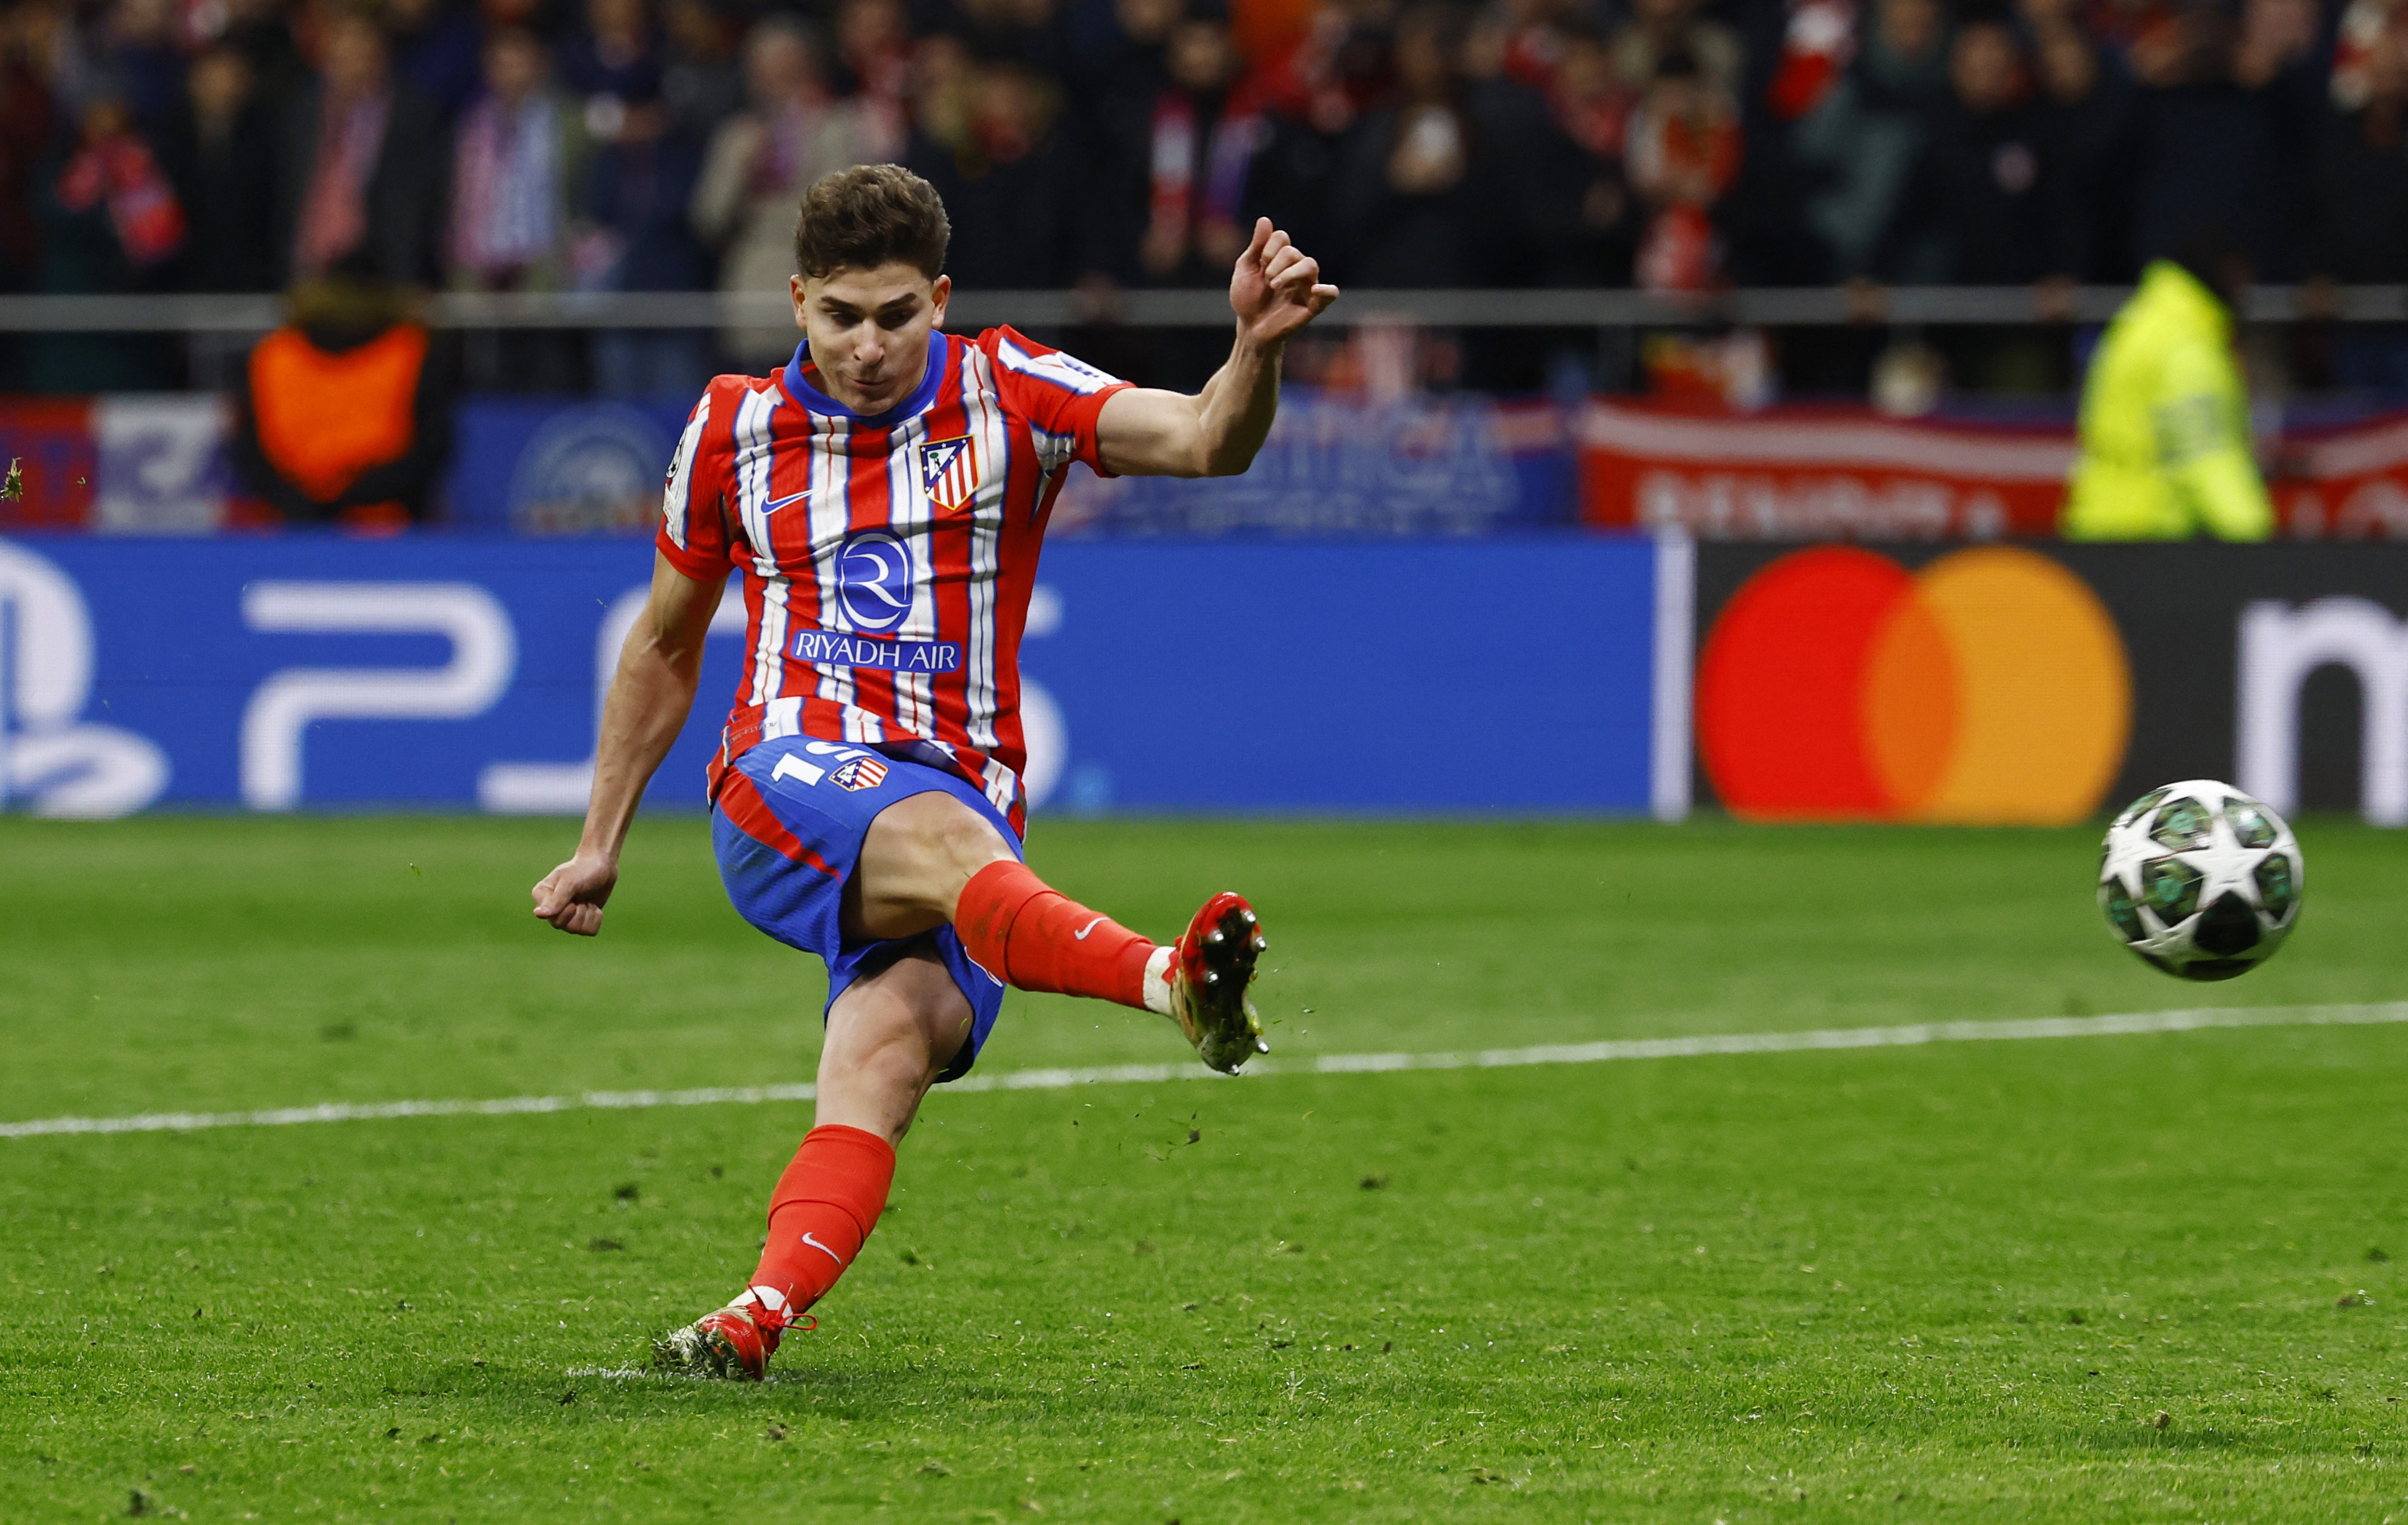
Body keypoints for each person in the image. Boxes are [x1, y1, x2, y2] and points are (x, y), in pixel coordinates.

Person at [529, 163, 1338, 1381]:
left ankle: (749, 1316)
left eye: (897, 314)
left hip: (960, 809)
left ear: (941, 298)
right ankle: (1171, 979)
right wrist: (600, 838)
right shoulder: (734, 425)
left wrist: (1254, 349)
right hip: (783, 778)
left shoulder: (1011, 385)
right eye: (840, 315)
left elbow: (1205, 437)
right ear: (796, 300)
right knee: (953, 848)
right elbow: (663, 643)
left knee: (884, 1054)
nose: (866, 345)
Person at [2061, 228, 2273, 539]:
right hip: (2144, 536)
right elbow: (2206, 453)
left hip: (2100, 523)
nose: (2246, 287)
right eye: (2238, 274)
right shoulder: (2185, 344)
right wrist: (2257, 538)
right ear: (2220, 270)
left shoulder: (2140, 319)